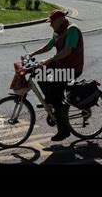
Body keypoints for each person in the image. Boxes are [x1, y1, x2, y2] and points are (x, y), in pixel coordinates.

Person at [30, 9, 84, 142]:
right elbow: (48, 46)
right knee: (38, 72)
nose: (50, 25)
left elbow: (67, 51)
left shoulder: (72, 30)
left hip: (72, 68)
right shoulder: (58, 31)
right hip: (60, 64)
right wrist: (32, 54)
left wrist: (50, 60)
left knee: (56, 94)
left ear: (60, 20)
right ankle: (50, 101)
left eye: (52, 22)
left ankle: (64, 130)